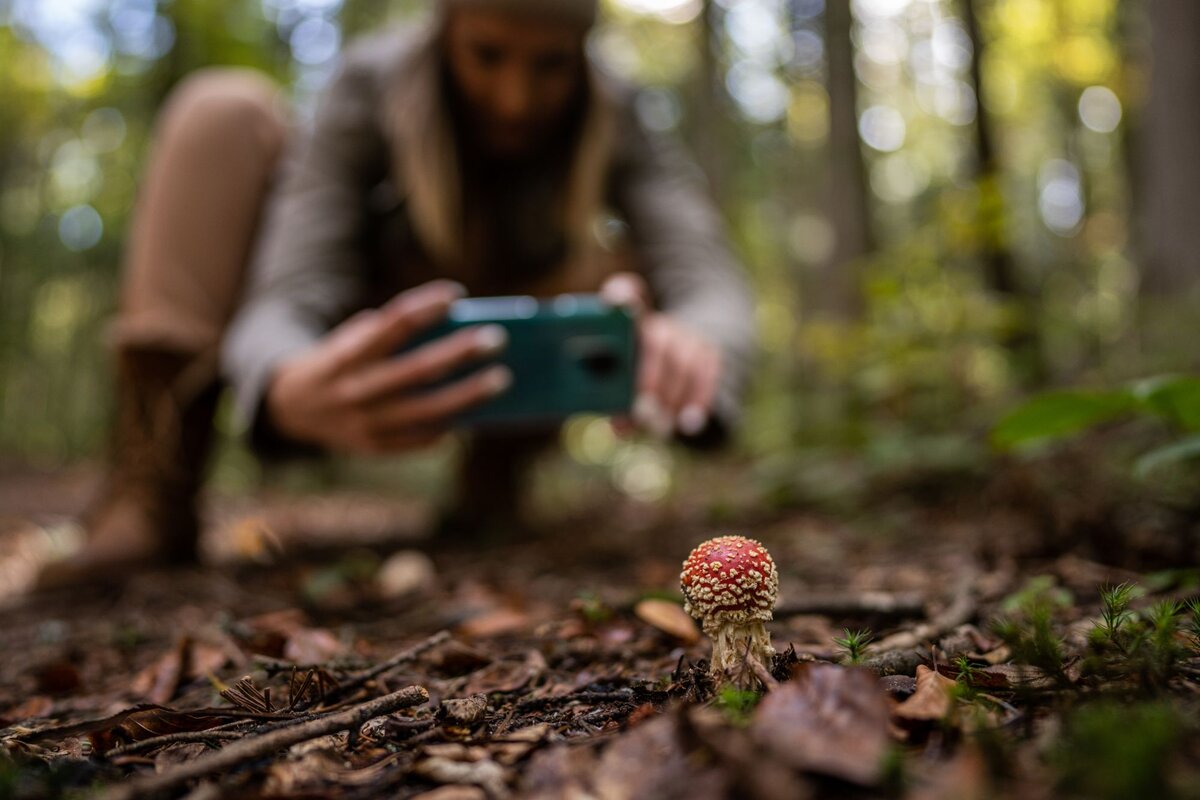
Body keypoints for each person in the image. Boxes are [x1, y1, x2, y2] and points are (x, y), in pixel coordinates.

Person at [38, 0, 756, 586]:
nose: (516, 98)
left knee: (623, 271)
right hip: (371, 316)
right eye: (488, 56)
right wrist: (284, 382)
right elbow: (286, 293)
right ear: (445, 25)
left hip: (533, 304)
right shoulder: (366, 84)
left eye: (550, 65)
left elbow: (707, 277)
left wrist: (694, 346)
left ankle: (493, 483)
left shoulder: (622, 107)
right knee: (220, 113)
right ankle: (151, 491)